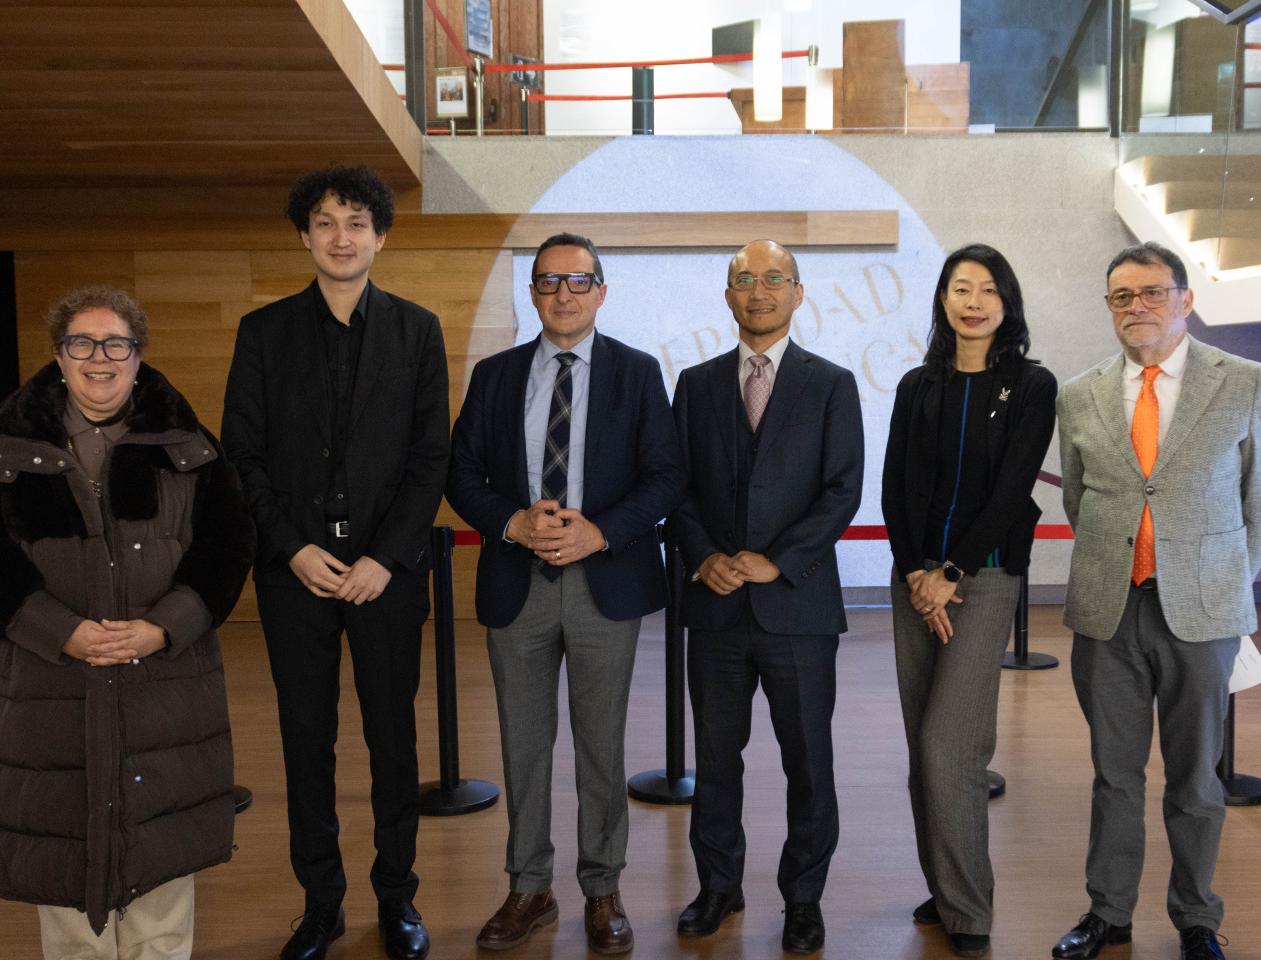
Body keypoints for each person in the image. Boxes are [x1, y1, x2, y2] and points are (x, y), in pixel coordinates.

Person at [0, 285, 254, 960]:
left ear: (138, 357)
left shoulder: (189, 448)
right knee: (69, 889)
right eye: (82, 343)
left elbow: (226, 548)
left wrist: (164, 626)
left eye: (116, 343)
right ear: (59, 355)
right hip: (46, 689)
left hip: (165, 687)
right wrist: (62, 632)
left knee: (161, 884)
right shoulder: (4, 452)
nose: (100, 358)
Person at [220, 165, 449, 960]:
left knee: (394, 741)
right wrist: (293, 546)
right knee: (304, 740)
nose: (341, 236)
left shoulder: (418, 331)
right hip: (297, 574)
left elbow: (430, 461)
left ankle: (398, 900)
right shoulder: (264, 332)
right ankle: (321, 906)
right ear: (304, 236)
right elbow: (242, 457)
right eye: (325, 222)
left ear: (381, 236)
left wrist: (386, 558)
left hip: (386, 577)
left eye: (357, 222)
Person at [445, 233, 686, 956]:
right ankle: (529, 886)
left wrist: (601, 532)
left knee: (600, 745)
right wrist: (510, 521)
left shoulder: (638, 374)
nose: (564, 294)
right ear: (533, 293)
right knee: (522, 743)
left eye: (579, 282)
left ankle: (602, 885)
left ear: (602, 292)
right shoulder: (493, 376)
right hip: (516, 583)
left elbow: (666, 476)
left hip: (601, 584)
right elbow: (462, 476)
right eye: (549, 281)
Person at [1052, 242, 1261, 960]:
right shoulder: (1080, 393)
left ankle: (1196, 919)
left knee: (1195, 777)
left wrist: (1220, 581)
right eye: (1122, 296)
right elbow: (1077, 497)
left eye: (1152, 292)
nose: (1137, 308)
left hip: (1203, 612)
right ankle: (1108, 913)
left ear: (1185, 299)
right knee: (1113, 775)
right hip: (1108, 611)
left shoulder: (1245, 383)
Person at [669, 240, 863, 955]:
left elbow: (843, 491)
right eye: (744, 280)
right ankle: (718, 886)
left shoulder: (832, 384)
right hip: (715, 607)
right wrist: (705, 557)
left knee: (808, 760)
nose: (759, 290)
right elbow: (676, 486)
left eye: (773, 278)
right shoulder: (693, 384)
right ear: (727, 296)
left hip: (799, 608)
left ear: (798, 293)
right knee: (716, 760)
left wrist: (774, 563)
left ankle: (803, 899)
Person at [879, 245, 1057, 959]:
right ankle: (944, 884)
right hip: (916, 585)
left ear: (1006, 304)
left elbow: (1013, 489)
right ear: (943, 300)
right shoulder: (917, 385)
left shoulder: (1032, 385)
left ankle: (970, 909)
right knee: (922, 746)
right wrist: (917, 575)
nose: (973, 301)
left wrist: (950, 573)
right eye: (960, 288)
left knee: (949, 744)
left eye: (988, 290)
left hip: (981, 582)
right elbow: (895, 489)